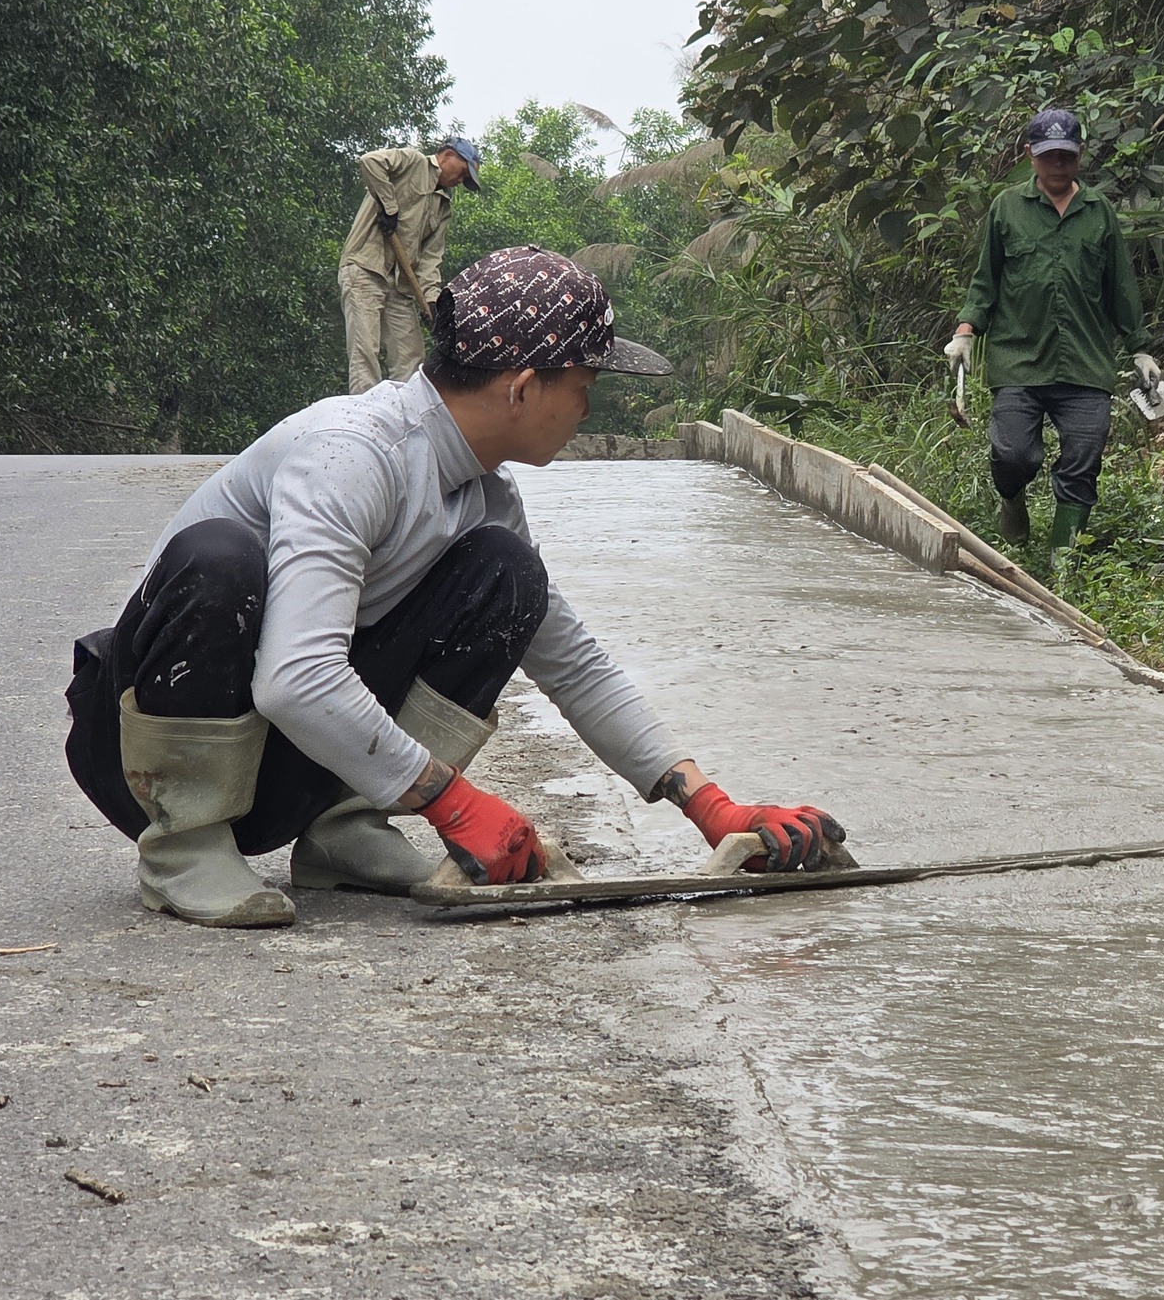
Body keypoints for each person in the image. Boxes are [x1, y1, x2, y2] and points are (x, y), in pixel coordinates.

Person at [64, 245, 845, 928]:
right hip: (142, 754)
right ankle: (186, 845)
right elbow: (296, 678)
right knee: (223, 555)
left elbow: (575, 665)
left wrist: (711, 806)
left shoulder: (483, 497)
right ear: (524, 387)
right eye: (584, 384)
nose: (586, 406)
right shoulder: (350, 456)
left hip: (275, 772)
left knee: (508, 576)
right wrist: (454, 801)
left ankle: (344, 826)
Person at [947, 108, 1162, 558]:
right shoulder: (1007, 208)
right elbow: (986, 281)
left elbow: (1120, 285)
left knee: (1083, 461)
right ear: (1030, 155)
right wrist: (966, 331)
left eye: (1067, 154)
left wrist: (1140, 349)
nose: (1058, 163)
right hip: (1019, 359)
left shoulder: (1098, 211)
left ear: (1080, 154)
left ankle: (1063, 568)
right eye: (1049, 156)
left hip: (1085, 363)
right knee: (1013, 456)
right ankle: (1012, 500)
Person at [339, 138, 482, 395]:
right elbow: (370, 161)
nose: (461, 180)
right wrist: (389, 207)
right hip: (365, 268)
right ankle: (364, 422)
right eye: (463, 172)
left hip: (401, 284)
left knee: (412, 360)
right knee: (365, 354)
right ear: (448, 155)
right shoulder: (412, 162)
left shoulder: (443, 206)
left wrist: (432, 303)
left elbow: (430, 260)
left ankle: (405, 419)